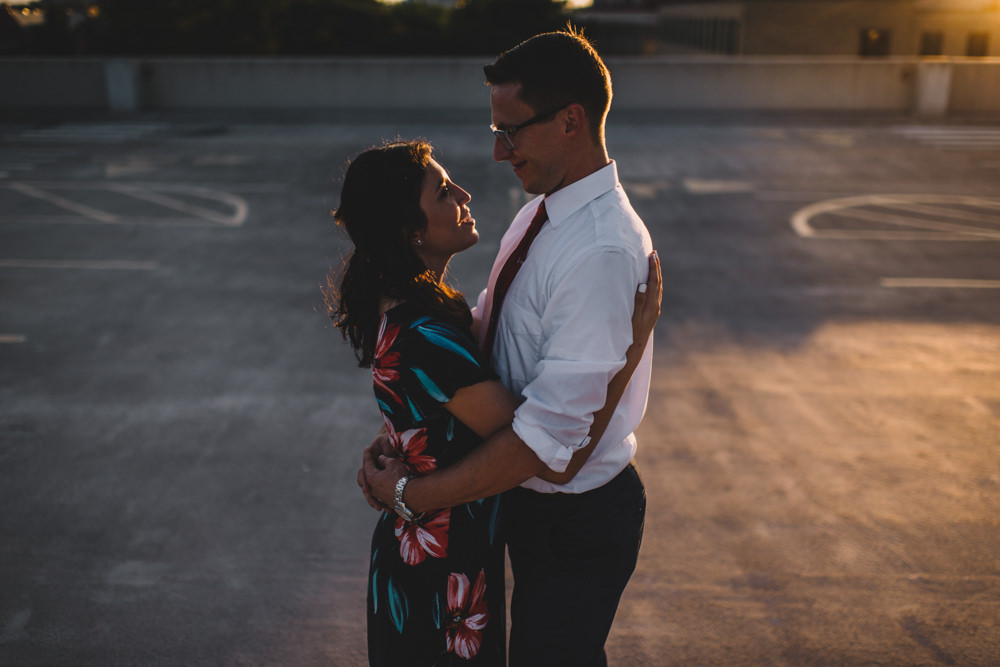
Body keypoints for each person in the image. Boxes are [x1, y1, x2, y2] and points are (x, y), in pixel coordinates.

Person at [360, 28, 655, 666]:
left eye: (511, 131)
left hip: (574, 516)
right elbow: (481, 337)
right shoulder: (541, 214)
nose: (498, 152)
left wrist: (408, 496)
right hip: (516, 499)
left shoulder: (598, 249)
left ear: (571, 120)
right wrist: (411, 426)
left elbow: (552, 449)